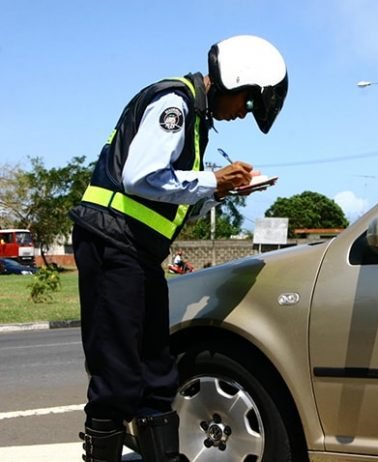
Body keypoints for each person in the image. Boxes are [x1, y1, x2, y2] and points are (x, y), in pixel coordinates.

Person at [69, 35, 288, 462]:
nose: (243, 114)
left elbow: (165, 192)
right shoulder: (175, 103)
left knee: (157, 374)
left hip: (139, 251)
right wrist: (212, 180)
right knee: (117, 376)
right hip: (113, 243)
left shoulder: (197, 119)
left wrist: (222, 191)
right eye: (246, 102)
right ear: (234, 79)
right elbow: (141, 176)